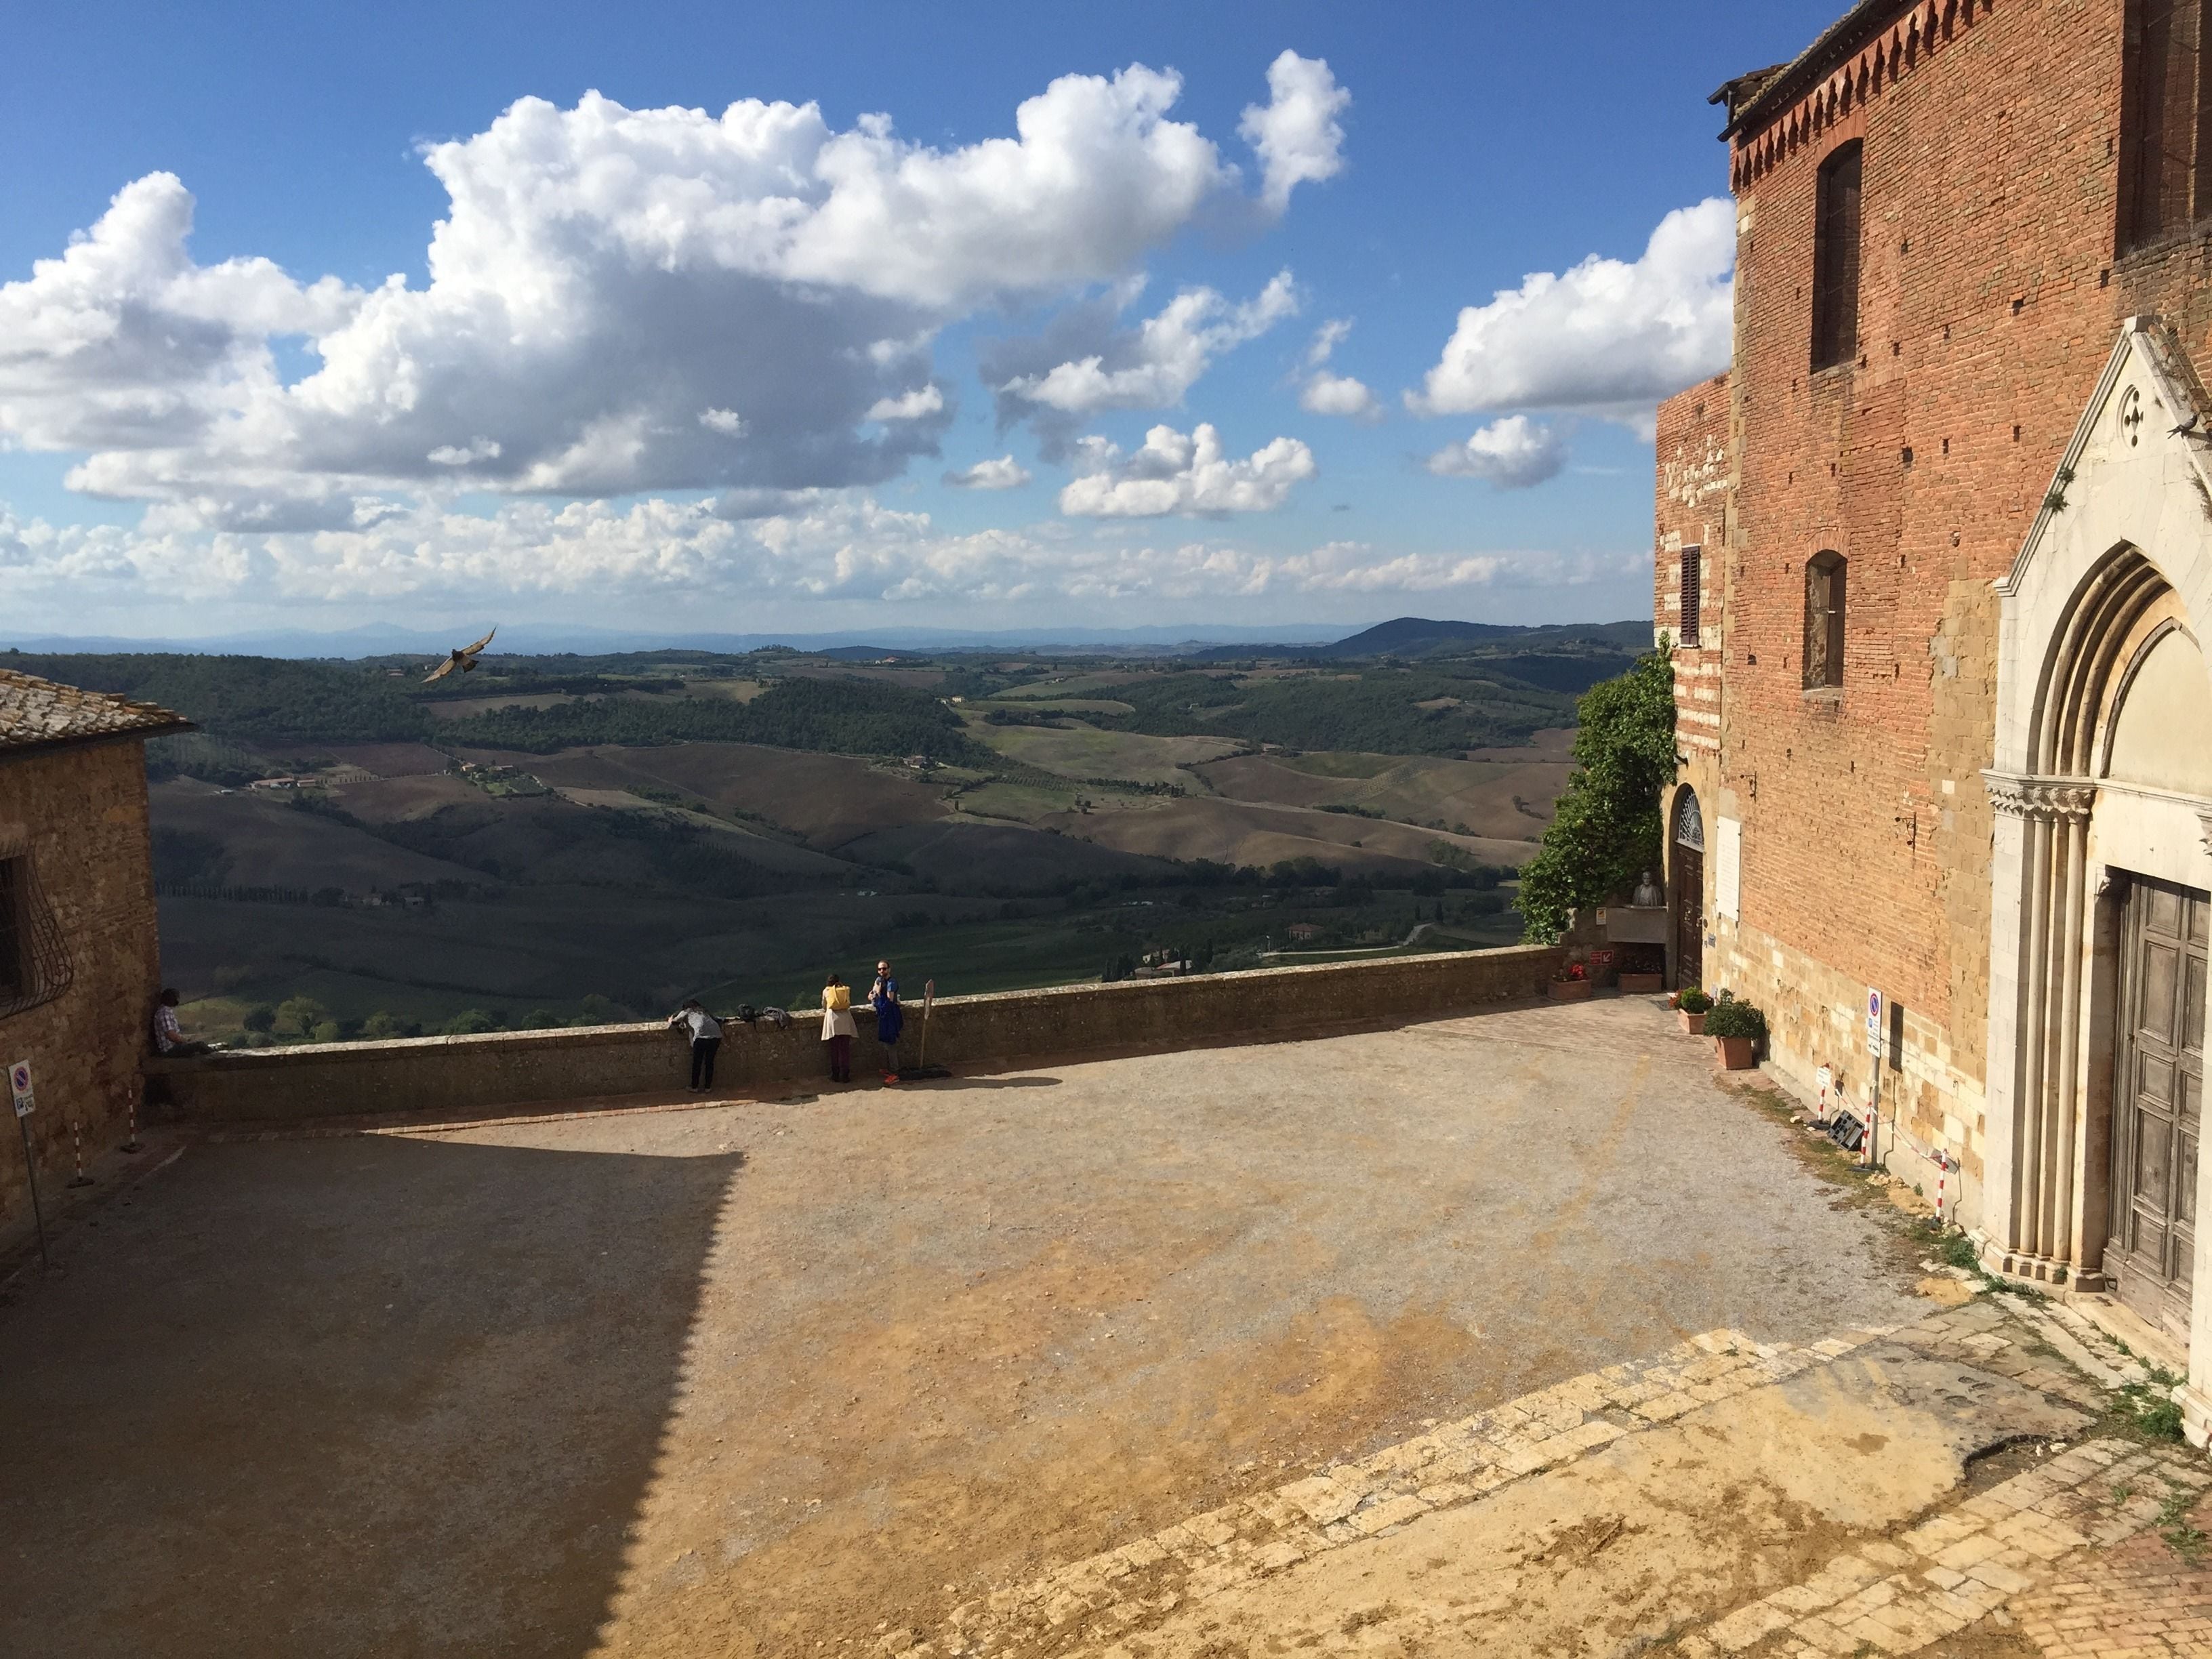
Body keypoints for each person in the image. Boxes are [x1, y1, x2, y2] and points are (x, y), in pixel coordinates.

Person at [667, 998, 722, 1092]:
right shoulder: (704, 1012)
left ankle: (694, 1087)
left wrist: (670, 1020)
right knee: (710, 1062)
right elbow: (716, 1020)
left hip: (701, 1037)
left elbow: (673, 1024)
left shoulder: (686, 1011)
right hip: (717, 1035)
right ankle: (708, 1087)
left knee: (697, 1063)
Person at [152, 987, 213, 1057]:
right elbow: (170, 1035)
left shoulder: (166, 1011)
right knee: (200, 1045)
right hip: (170, 1050)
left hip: (173, 1047)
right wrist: (184, 1041)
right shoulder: (164, 1013)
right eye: (176, 997)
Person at [870, 960, 903, 1084]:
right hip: (883, 1015)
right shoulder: (880, 981)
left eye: (884, 969)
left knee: (891, 1043)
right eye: (880, 969)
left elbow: (889, 1000)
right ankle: (890, 1069)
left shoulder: (891, 983)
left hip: (890, 1015)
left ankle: (895, 1073)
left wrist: (878, 993)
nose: (882, 971)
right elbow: (873, 994)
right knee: (886, 1042)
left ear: (889, 969)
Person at [821, 972, 856, 1083]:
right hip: (845, 1019)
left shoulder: (826, 991)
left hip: (832, 1020)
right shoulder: (845, 990)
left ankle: (835, 1074)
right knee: (844, 1049)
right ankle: (845, 1074)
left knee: (834, 1049)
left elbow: (824, 1006)